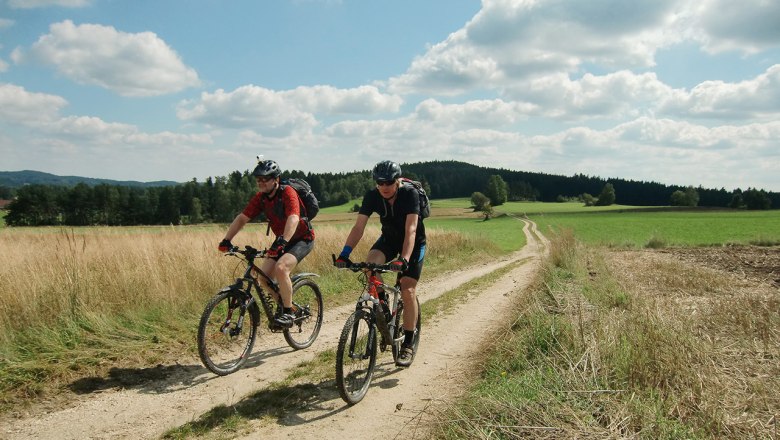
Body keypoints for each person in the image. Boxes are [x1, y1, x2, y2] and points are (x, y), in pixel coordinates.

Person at [334, 160, 426, 367]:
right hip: (389, 240)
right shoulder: (372, 196)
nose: (384, 187)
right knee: (370, 266)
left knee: (407, 287)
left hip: (413, 243)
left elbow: (411, 229)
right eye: (379, 182)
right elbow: (359, 228)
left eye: (389, 182)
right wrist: (344, 254)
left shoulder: (409, 195)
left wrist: (404, 259)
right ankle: (383, 307)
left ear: (397, 181)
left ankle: (409, 344)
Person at [218, 159, 315, 328]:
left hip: (302, 239)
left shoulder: (288, 192)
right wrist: (227, 239)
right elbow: (242, 218)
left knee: (281, 268)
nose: (261, 182)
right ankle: (285, 304)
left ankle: (288, 313)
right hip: (282, 241)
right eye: (258, 179)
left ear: (276, 179)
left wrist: (283, 241)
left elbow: (293, 217)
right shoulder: (261, 198)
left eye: (265, 179)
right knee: (263, 277)